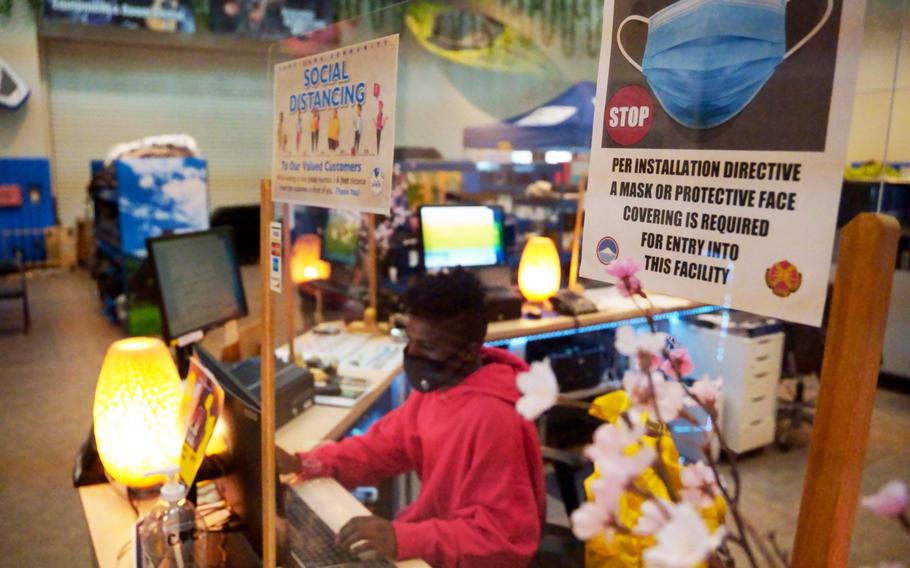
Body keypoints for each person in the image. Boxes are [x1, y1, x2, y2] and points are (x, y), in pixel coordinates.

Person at [278, 268, 545, 567]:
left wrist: (403, 538)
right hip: (436, 549)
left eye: (427, 346)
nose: (413, 353)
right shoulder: (438, 389)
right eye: (411, 340)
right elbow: (380, 448)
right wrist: (306, 463)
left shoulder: (495, 419)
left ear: (469, 351)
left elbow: (502, 541)